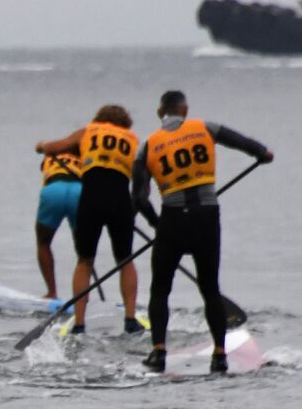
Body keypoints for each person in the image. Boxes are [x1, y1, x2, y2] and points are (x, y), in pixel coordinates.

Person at [132, 90, 273, 374]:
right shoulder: (205, 127)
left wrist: (156, 225)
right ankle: (219, 355)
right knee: (210, 288)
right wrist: (262, 153)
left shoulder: (148, 145)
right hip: (207, 218)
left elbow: (138, 198)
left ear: (161, 113)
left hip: (172, 219)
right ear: (184, 109)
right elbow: (245, 144)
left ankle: (158, 352)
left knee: (160, 289)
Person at [36, 105, 145, 335]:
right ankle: (130, 319)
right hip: (119, 201)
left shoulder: (88, 131)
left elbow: (55, 147)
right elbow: (140, 178)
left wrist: (42, 146)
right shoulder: (131, 138)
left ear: (99, 119)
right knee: (125, 260)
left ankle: (79, 323)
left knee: (85, 260)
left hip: (91, 200)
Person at [32, 151, 83, 299]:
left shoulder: (51, 156)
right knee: (84, 251)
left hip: (53, 190)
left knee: (43, 242)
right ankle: (82, 296)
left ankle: (52, 292)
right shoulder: (85, 155)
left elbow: (43, 167)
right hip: (79, 192)